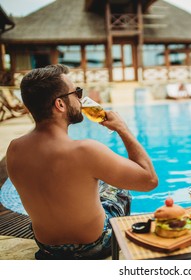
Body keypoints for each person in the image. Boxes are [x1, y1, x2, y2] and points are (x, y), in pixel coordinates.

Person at [6, 64, 158, 259]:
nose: (80, 98)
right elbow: (149, 180)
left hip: (47, 246)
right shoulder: (86, 150)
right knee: (119, 189)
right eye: (77, 92)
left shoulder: (14, 149)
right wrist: (123, 129)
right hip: (93, 247)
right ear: (60, 104)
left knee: (94, 178)